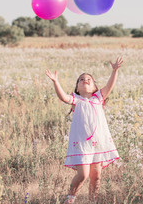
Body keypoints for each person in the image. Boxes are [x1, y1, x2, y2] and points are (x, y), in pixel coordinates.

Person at [45, 57, 123, 204]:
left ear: (94, 87)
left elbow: (109, 86)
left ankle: (93, 200)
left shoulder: (98, 97)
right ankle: (70, 197)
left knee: (97, 175)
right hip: (81, 143)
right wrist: (56, 82)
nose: (85, 80)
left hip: (99, 142)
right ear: (77, 87)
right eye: (81, 79)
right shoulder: (76, 99)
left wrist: (114, 71)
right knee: (83, 174)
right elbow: (63, 97)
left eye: (88, 79)